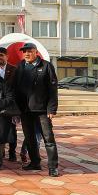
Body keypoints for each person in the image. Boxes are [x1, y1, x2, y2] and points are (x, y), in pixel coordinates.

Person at [13, 42, 60, 176]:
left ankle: (53, 167)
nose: (26, 54)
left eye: (29, 51)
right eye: (24, 51)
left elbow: (52, 89)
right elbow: (15, 87)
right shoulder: (21, 66)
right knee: (30, 138)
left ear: (36, 52)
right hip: (25, 110)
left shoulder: (46, 66)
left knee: (48, 138)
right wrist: (16, 108)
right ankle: (35, 163)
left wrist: (51, 109)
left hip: (42, 110)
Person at [0, 47, 19, 161]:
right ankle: (1, 151)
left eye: (1, 55)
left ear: (6, 57)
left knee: (11, 130)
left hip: (11, 104)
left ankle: (12, 152)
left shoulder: (14, 69)